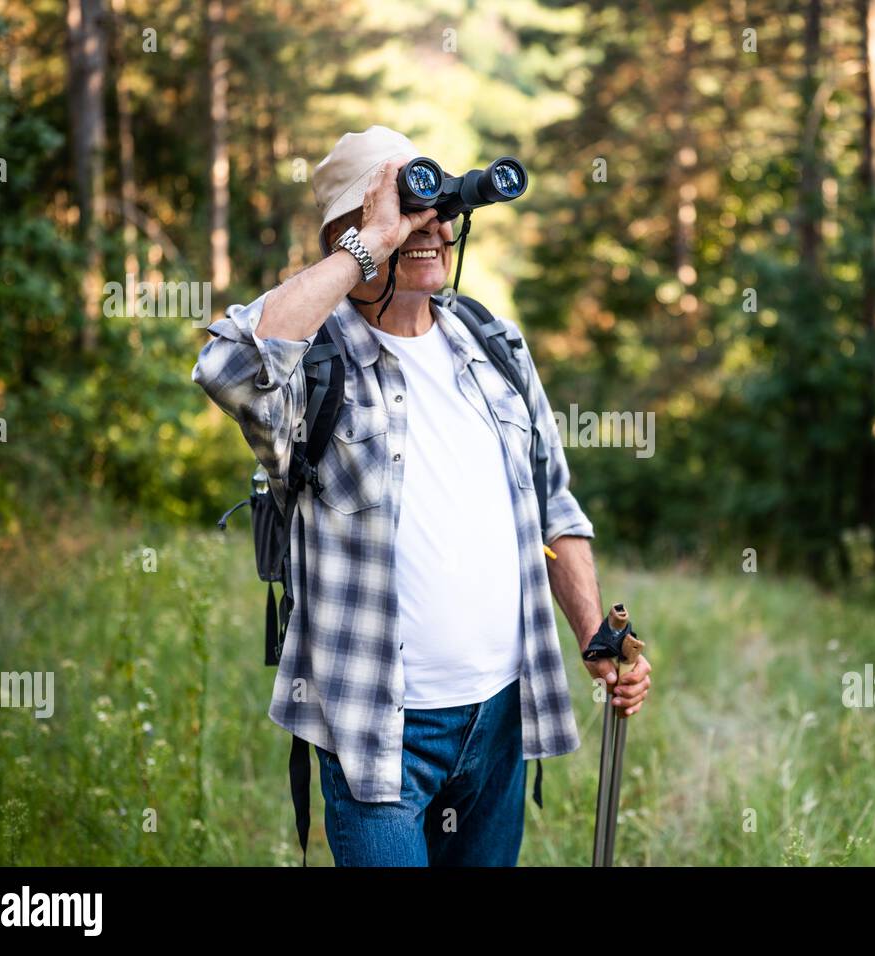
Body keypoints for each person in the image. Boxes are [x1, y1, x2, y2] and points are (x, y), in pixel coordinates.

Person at [191, 125, 651, 866]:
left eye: (435, 207)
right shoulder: (313, 362)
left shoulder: (493, 344)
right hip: (375, 729)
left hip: (499, 718)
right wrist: (371, 242)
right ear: (350, 231)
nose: (429, 224)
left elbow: (554, 506)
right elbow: (227, 364)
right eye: (403, 209)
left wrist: (597, 634)